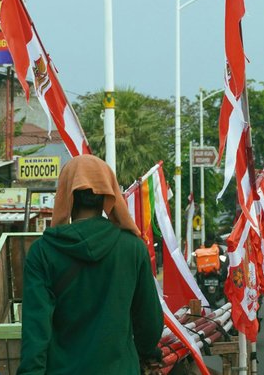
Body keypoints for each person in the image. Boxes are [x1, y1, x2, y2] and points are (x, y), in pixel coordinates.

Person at [17, 155, 164, 375]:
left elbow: (35, 333)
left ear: (67, 196)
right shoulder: (132, 248)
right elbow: (149, 326)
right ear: (107, 196)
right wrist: (144, 353)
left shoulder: (43, 252)